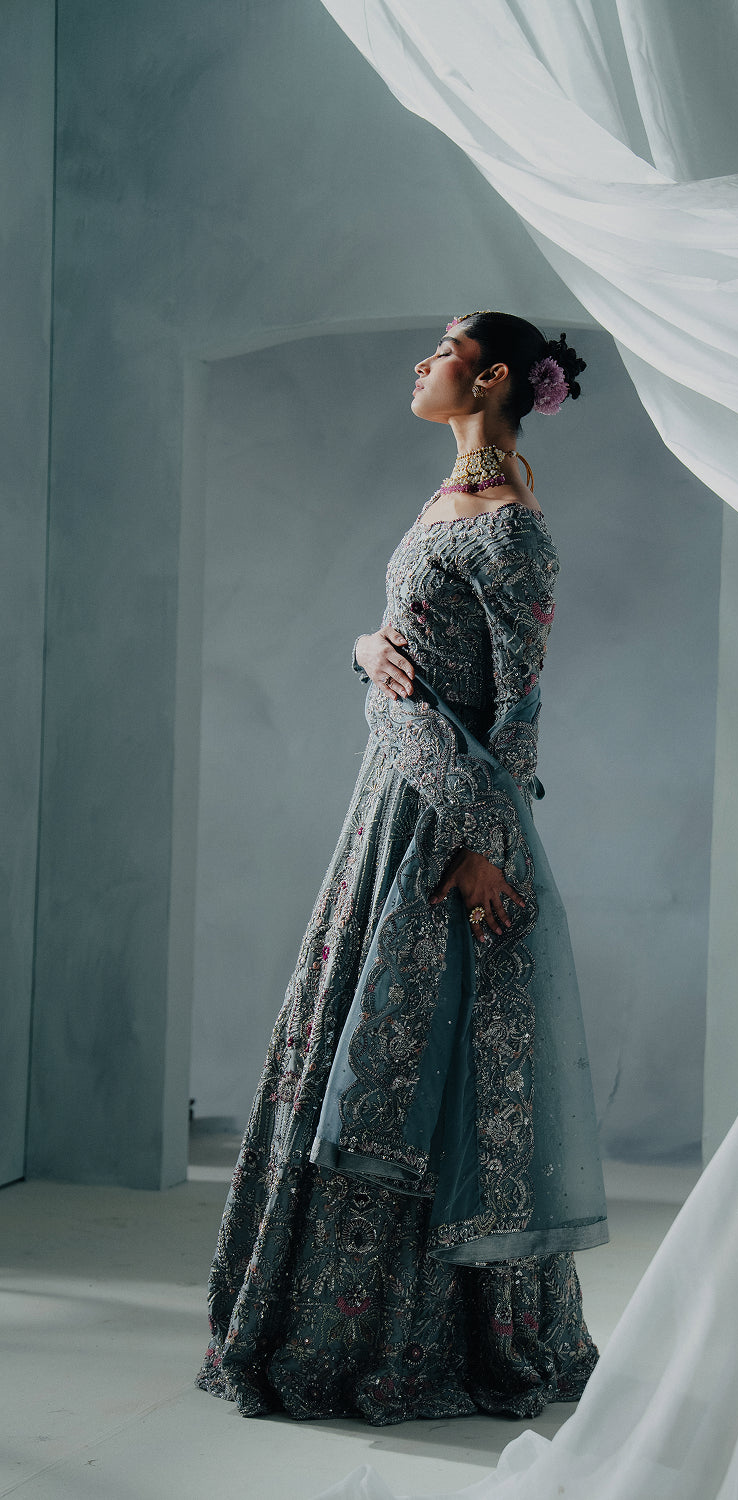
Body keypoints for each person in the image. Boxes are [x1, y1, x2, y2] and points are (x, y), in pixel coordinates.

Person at [196, 311, 608, 1426]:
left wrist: (481, 848)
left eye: (442, 350)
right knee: (347, 1042)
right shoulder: (448, 499)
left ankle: (421, 1342)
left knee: (424, 1067)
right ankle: (315, 1325)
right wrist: (361, 647)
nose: (421, 362)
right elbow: (403, 640)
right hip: (389, 804)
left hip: (446, 827)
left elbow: (519, 707)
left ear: (490, 376)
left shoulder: (511, 524)